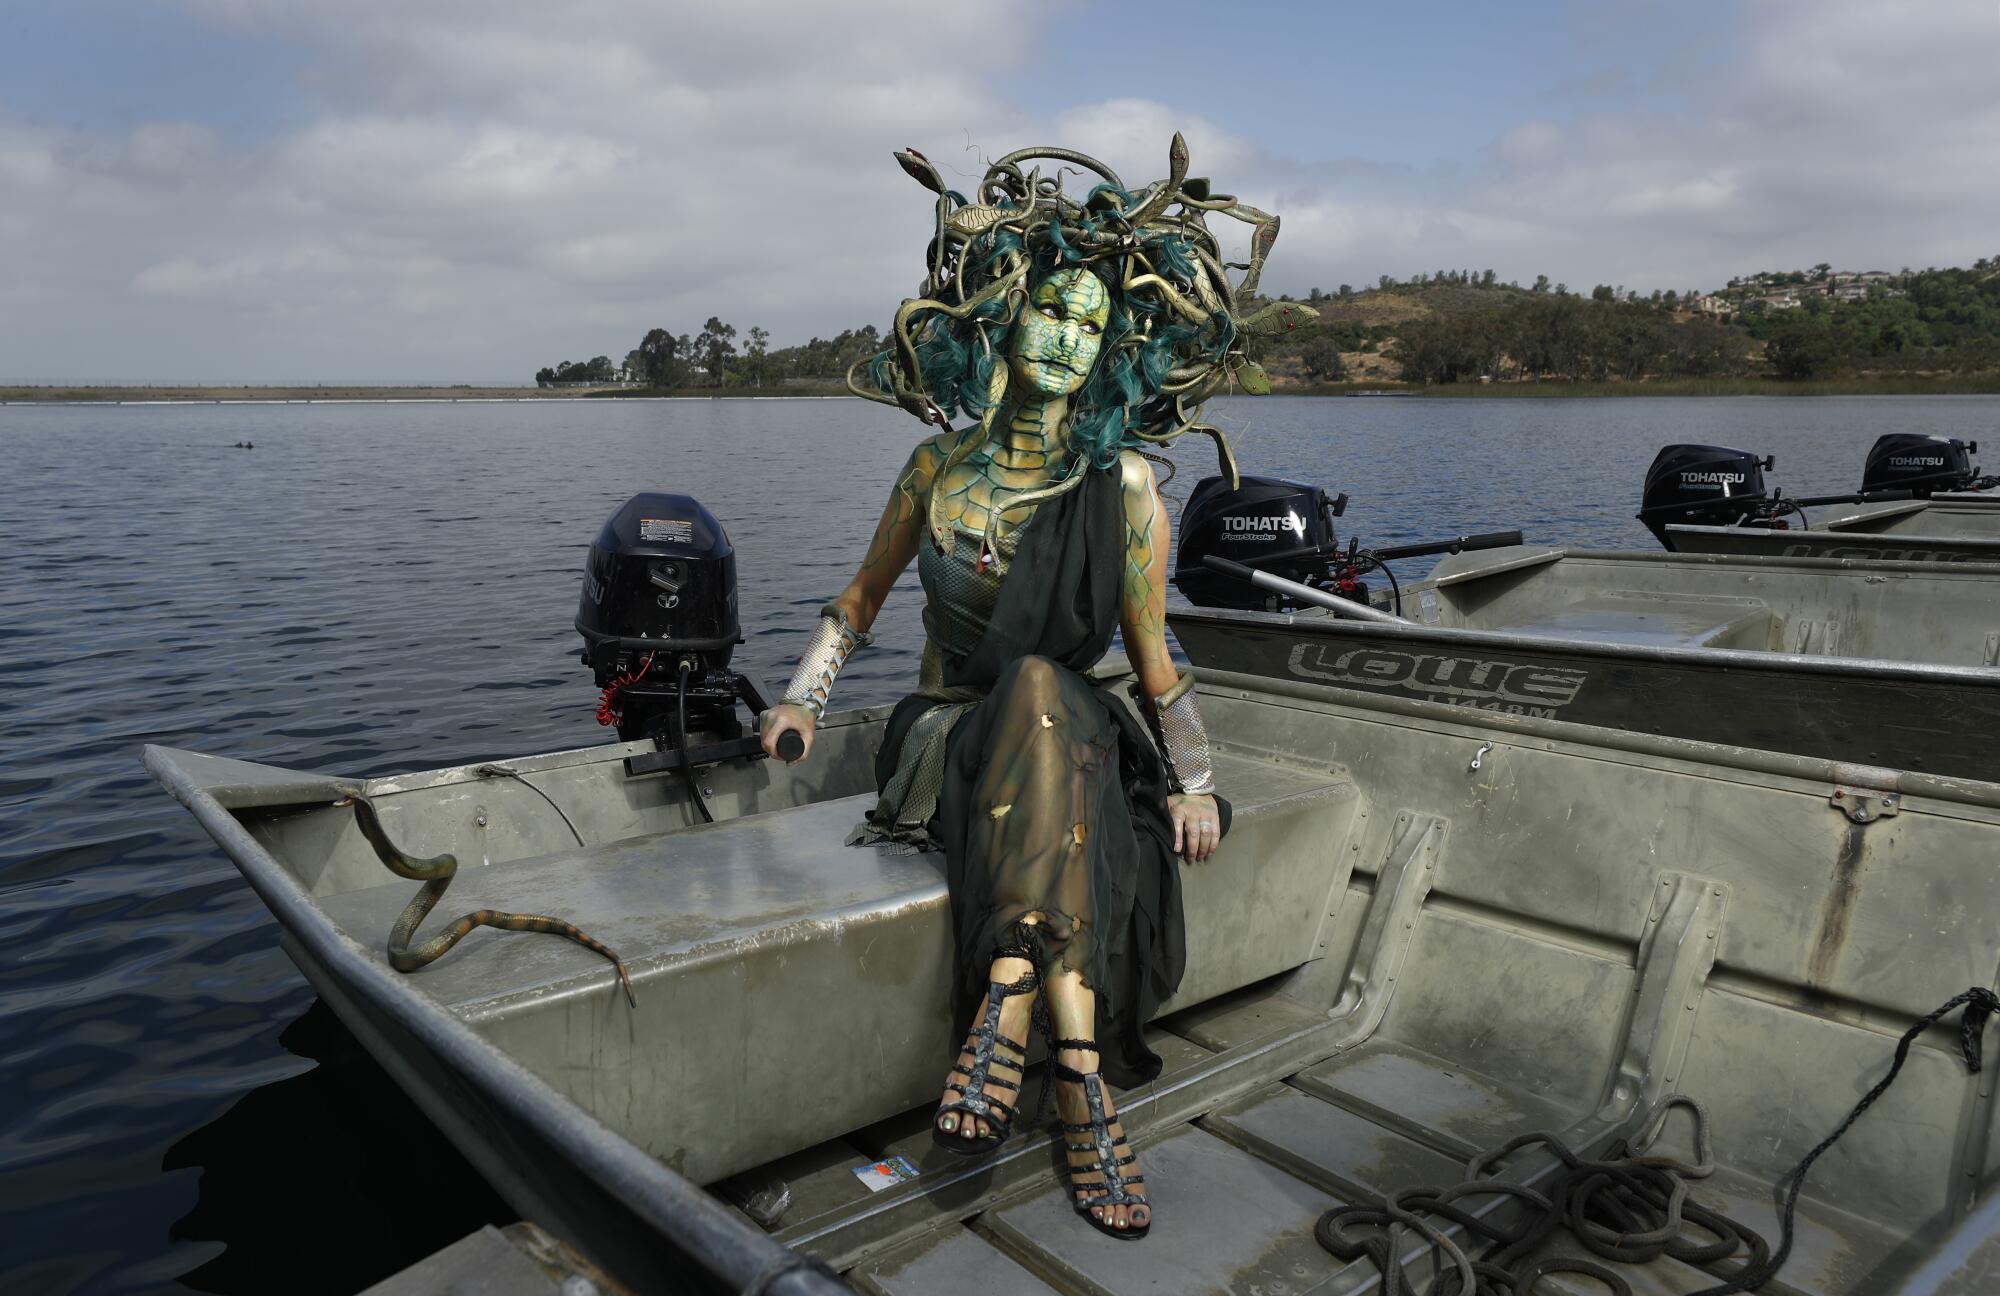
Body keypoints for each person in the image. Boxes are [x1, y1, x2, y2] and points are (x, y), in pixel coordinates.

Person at [759, 138, 1306, 1240]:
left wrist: (1196, 779)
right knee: (1035, 699)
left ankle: (1016, 999)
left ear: (1111, 350)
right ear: (1005, 315)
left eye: (1088, 326)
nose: (1063, 339)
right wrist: (801, 700)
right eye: (1049, 312)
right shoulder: (936, 470)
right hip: (951, 734)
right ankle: (1083, 1076)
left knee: (1054, 695)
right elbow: (858, 602)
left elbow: (1153, 657)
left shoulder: (1126, 485)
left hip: (1075, 725)